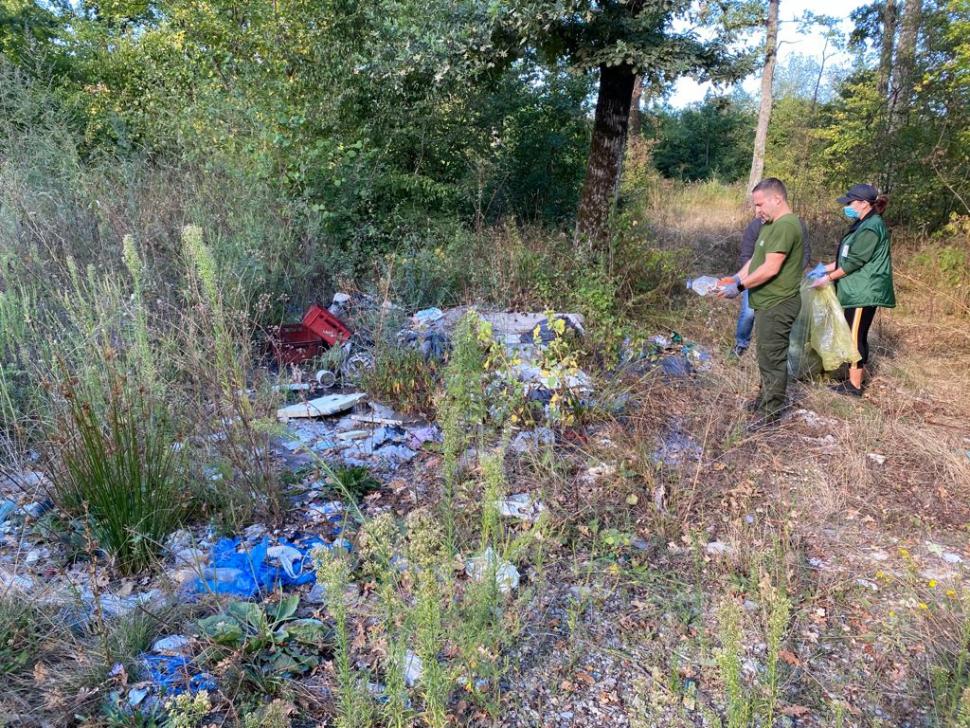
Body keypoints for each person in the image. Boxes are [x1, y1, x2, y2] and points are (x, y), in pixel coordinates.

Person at [719, 178, 804, 424]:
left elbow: (770, 268)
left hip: (778, 304)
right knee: (765, 356)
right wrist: (735, 279)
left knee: (772, 359)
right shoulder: (770, 224)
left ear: (777, 199)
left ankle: (770, 414)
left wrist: (740, 288)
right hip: (766, 302)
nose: (757, 211)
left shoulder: (786, 225)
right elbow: (756, 260)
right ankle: (764, 399)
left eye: (759, 204)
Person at [811, 183, 895, 396]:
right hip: (855, 289)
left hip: (863, 291)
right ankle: (852, 380)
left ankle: (854, 386)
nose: (847, 206)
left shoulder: (871, 227)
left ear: (864, 204)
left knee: (854, 336)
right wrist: (823, 269)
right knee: (853, 334)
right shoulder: (862, 224)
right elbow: (846, 258)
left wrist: (827, 278)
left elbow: (854, 262)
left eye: (850, 203)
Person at [732, 216, 812, 358]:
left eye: (760, 205)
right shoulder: (755, 226)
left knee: (781, 316)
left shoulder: (796, 225)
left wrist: (792, 272)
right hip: (756, 279)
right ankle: (741, 344)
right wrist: (752, 276)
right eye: (756, 206)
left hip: (784, 282)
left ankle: (784, 348)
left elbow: (805, 253)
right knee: (748, 314)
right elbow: (747, 255)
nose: (758, 211)